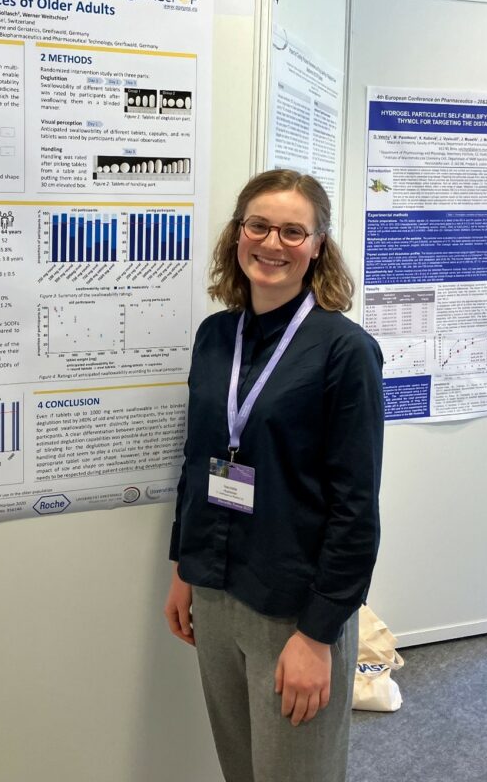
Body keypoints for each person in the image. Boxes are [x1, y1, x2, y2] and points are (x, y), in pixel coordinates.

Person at [164, 169, 383, 782]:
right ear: (238, 235)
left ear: (318, 245)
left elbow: (356, 508)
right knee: (242, 771)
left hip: (292, 608)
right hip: (214, 592)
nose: (273, 242)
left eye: (294, 231)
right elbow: (196, 459)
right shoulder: (215, 338)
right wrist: (185, 566)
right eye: (258, 225)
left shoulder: (345, 351)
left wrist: (317, 636)